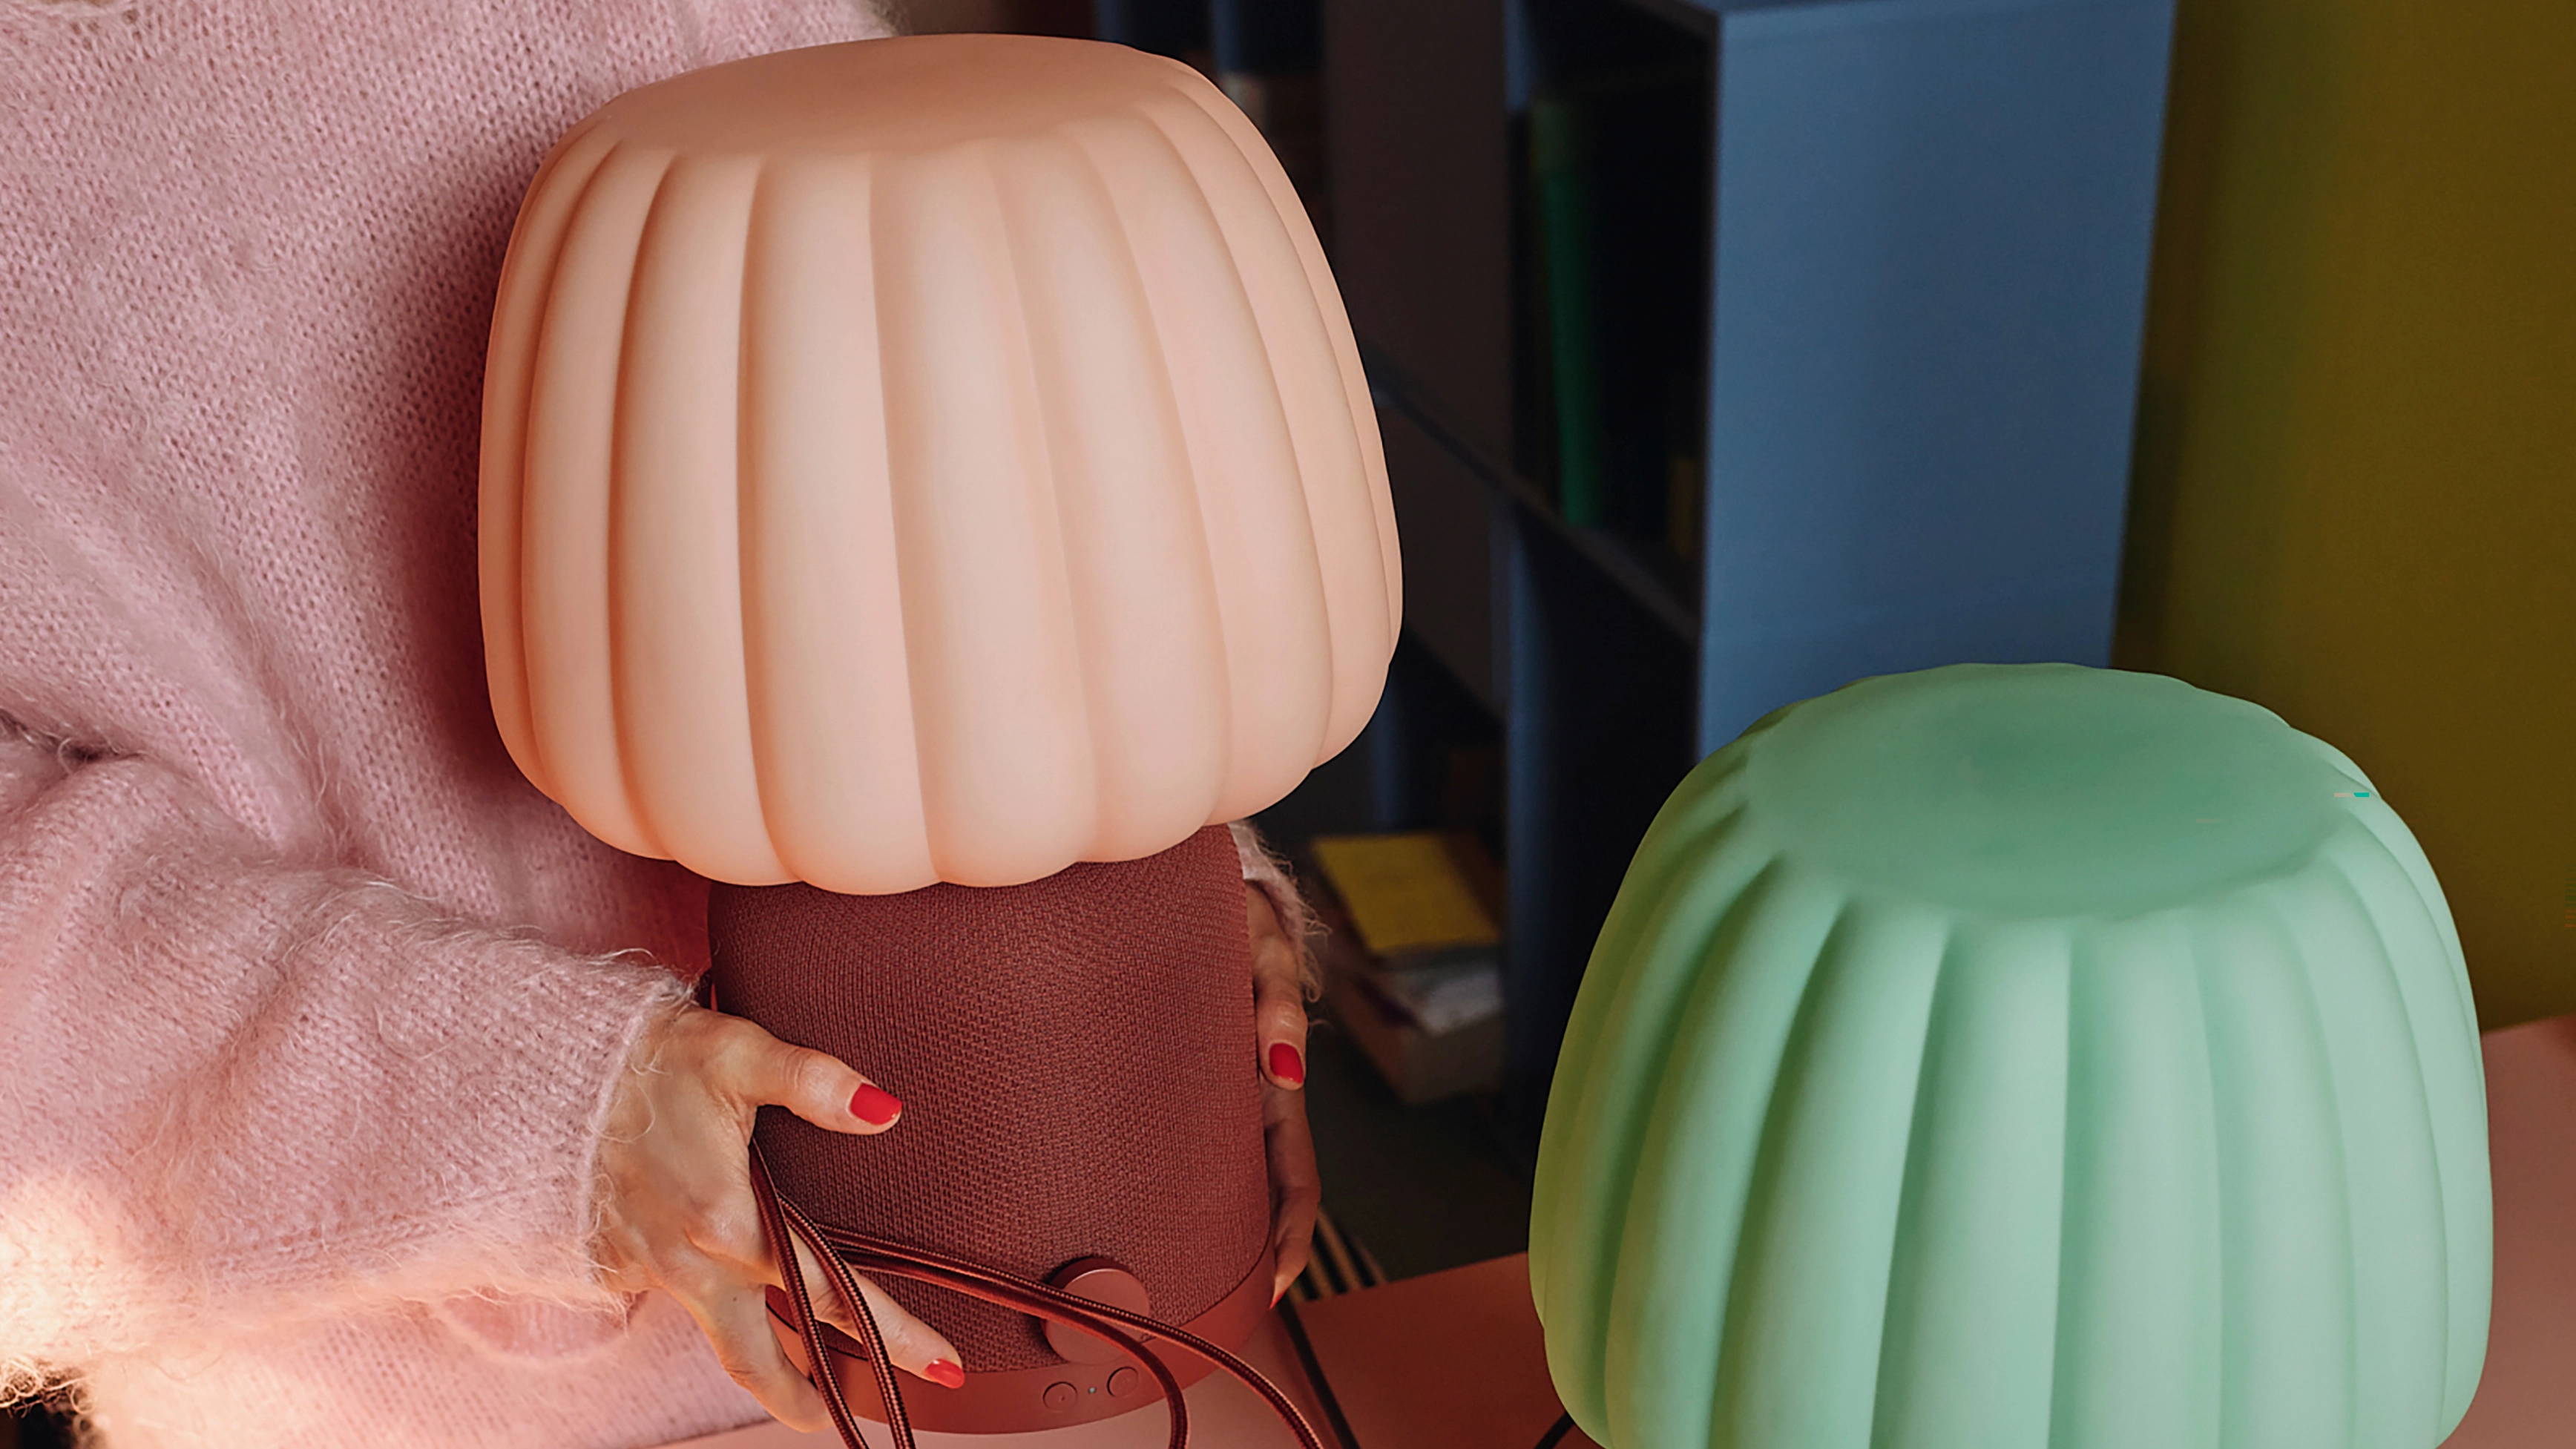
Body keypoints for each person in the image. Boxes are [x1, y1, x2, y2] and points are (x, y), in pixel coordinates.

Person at [0, 2, 1321, 1445]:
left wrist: (1161, 873)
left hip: (1039, 1284)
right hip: (394, 1392)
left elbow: (960, 447)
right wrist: (543, 1107)